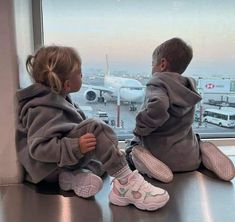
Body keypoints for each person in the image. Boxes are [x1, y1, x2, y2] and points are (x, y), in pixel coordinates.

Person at [15, 45, 169, 211]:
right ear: (66, 84)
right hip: (48, 167)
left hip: (58, 168)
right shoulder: (42, 109)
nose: (83, 75)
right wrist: (76, 146)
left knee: (104, 161)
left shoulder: (58, 97)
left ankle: (71, 179)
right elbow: (38, 149)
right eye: (79, 73)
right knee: (95, 128)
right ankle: (126, 184)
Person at [127, 37, 235, 183]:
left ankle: (143, 158)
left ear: (162, 64)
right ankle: (202, 151)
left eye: (152, 64)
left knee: (131, 149)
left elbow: (158, 105)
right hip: (190, 157)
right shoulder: (188, 86)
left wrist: (141, 128)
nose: (151, 68)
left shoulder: (158, 83)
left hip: (161, 156)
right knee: (192, 136)